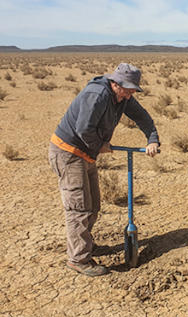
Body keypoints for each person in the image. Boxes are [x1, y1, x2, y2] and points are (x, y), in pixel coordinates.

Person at [48, 63, 159, 277]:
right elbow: (83, 129)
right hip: (68, 153)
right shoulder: (97, 95)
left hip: (85, 154)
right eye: (128, 89)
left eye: (133, 90)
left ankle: (86, 245)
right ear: (115, 83)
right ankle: (78, 259)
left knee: (93, 205)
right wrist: (100, 145)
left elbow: (143, 117)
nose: (130, 95)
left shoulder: (122, 97)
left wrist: (152, 139)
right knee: (79, 208)